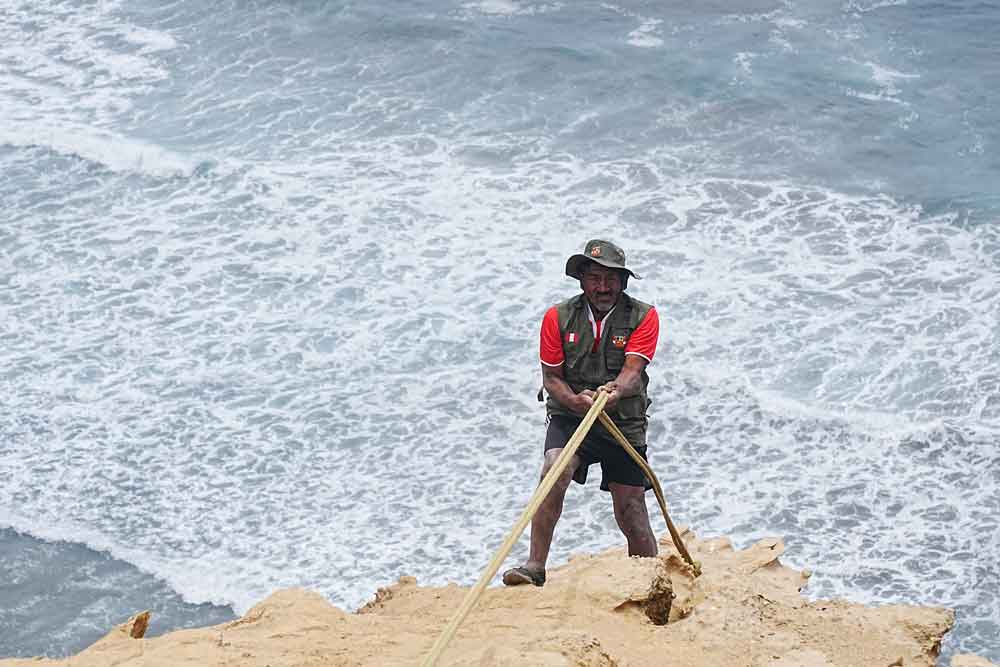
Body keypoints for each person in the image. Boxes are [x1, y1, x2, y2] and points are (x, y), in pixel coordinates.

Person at [503, 239, 660, 587]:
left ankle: (649, 581)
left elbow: (633, 372)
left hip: (622, 420)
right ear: (581, 280)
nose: (602, 287)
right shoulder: (557, 317)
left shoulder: (644, 316)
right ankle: (534, 566)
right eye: (594, 278)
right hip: (571, 415)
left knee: (630, 509)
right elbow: (552, 378)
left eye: (611, 279)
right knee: (552, 470)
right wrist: (575, 402)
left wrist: (613, 392)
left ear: (623, 282)